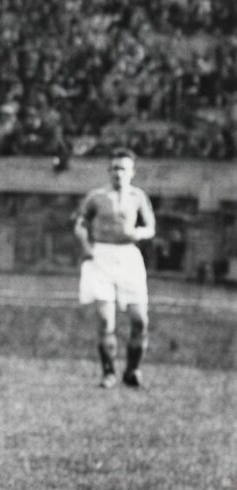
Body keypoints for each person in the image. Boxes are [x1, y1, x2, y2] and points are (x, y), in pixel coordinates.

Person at [74, 148, 156, 389]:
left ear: (132, 172)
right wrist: (86, 246)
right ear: (108, 172)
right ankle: (109, 372)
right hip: (102, 256)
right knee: (104, 320)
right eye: (114, 168)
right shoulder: (96, 197)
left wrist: (138, 232)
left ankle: (132, 370)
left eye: (123, 168)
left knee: (140, 320)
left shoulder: (138, 196)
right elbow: (80, 225)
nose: (118, 173)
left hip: (128, 256)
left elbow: (151, 227)